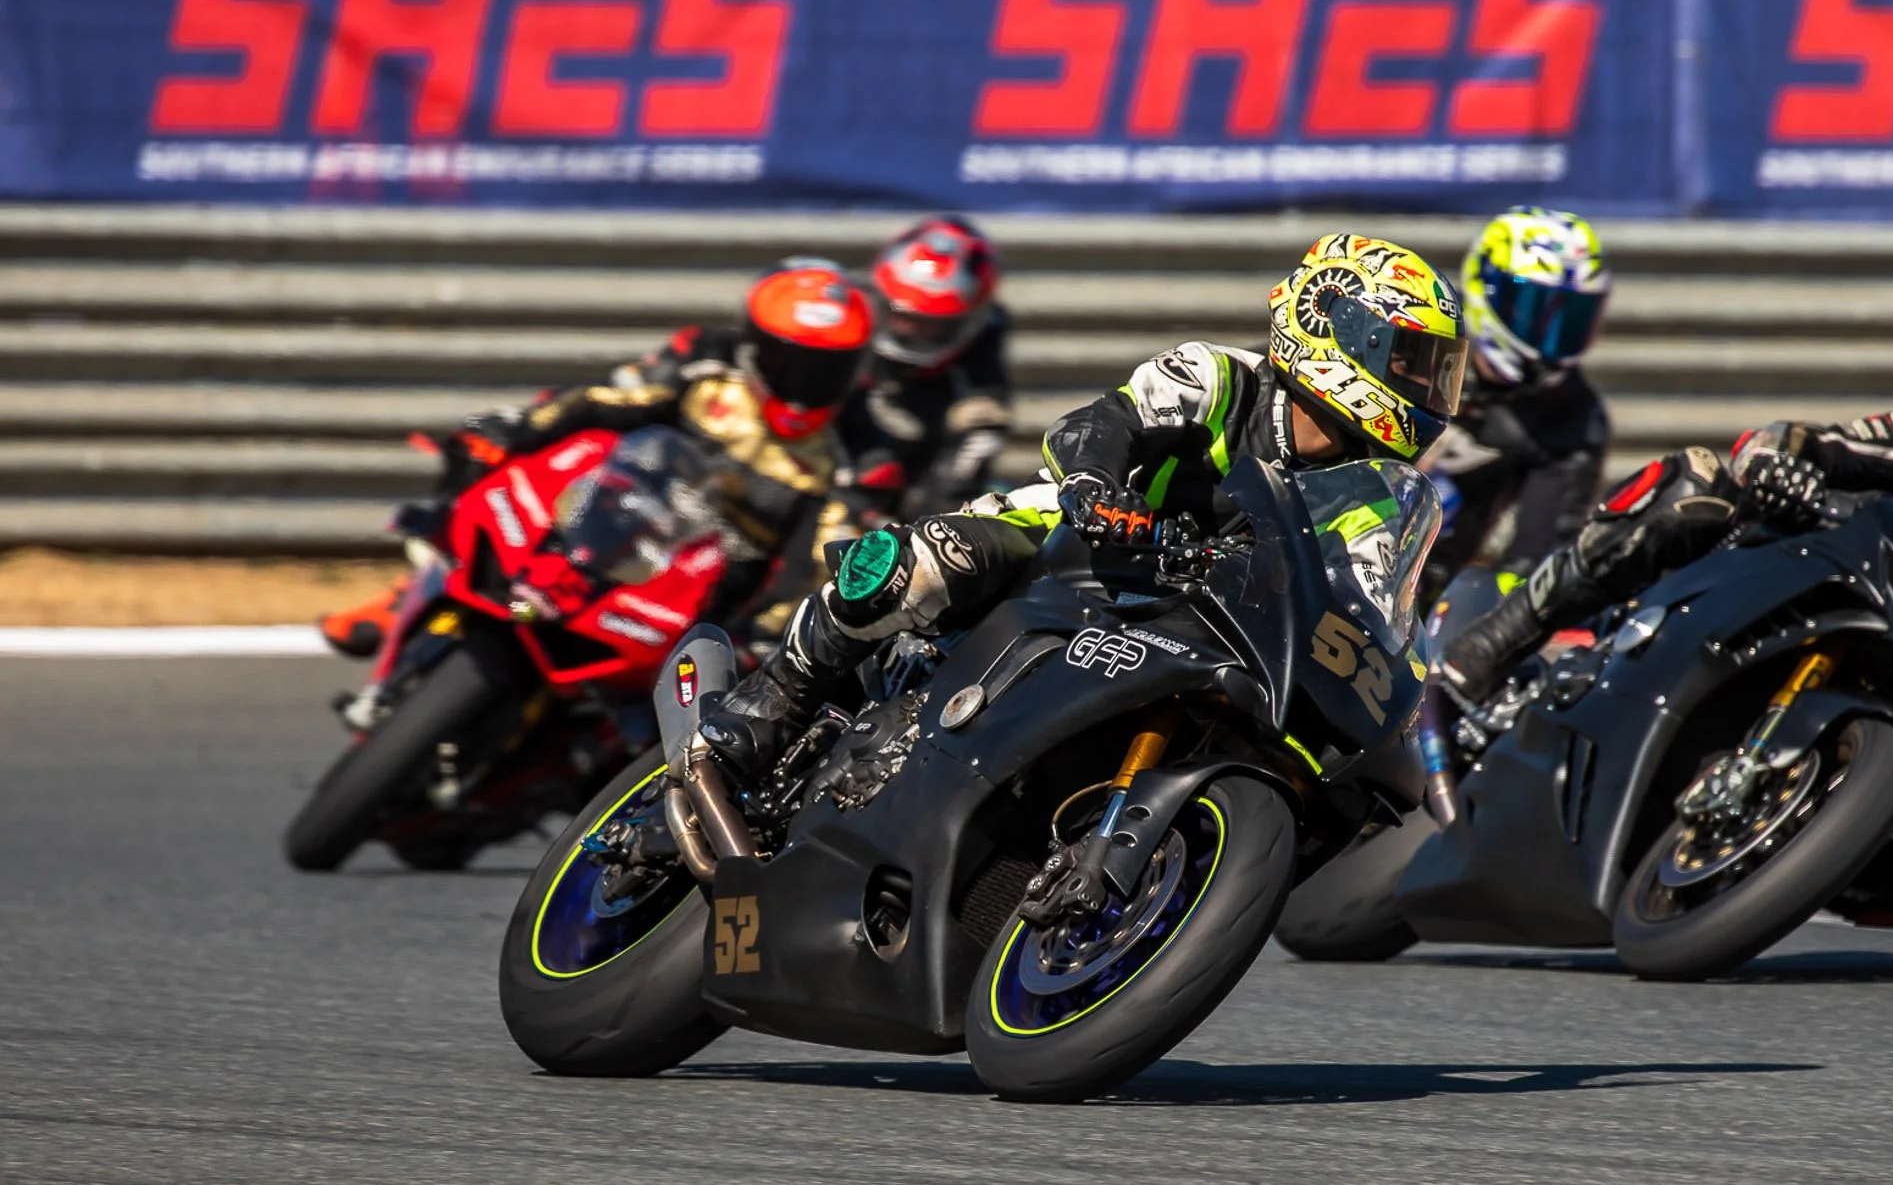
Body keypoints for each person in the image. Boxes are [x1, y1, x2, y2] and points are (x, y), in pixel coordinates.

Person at [693, 232, 1466, 788]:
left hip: (1207, 622)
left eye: (1435, 372)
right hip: (1085, 544)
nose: (1426, 389)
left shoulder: (1367, 492)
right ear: (1333, 329)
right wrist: (1096, 488)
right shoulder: (1220, 377)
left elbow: (1368, 589)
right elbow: (1102, 423)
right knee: (917, 565)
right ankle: (781, 691)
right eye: (1407, 362)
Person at [1436, 358, 1893, 923]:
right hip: (1829, 572)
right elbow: (1819, 442)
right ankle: (1495, 643)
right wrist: (1783, 465)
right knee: (1695, 484)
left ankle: (1742, 867)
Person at [319, 261, 876, 656]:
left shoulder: (839, 466)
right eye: (789, 363)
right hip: (617, 510)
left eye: (825, 372)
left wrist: (763, 634)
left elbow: (813, 567)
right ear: (754, 346)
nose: (804, 386)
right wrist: (518, 429)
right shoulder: (704, 364)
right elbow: (605, 401)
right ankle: (414, 590)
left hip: (697, 598)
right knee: (523, 443)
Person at [1424, 206, 1613, 583]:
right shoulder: (1419, 346)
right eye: (1534, 310)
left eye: (1568, 318)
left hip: (1452, 590)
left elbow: (1538, 559)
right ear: (1486, 289)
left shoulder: (1574, 415)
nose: (1550, 333)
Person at [832, 214, 1016, 534]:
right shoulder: (844, 315)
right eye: (901, 315)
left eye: (928, 323)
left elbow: (983, 422)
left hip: (919, 479)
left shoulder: (985, 335)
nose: (907, 330)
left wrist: (932, 521)